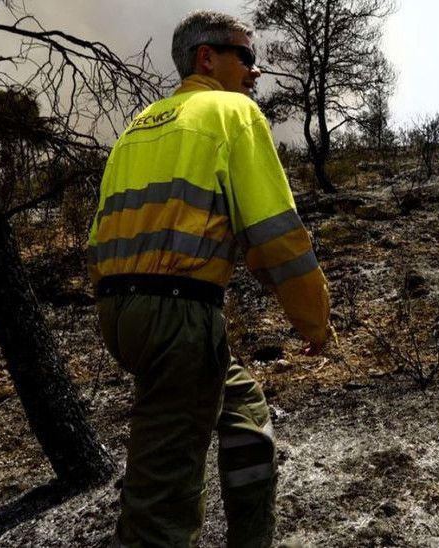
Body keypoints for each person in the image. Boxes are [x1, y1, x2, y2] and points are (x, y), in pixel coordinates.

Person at [88, 10, 331, 547]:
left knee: (242, 407)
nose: (255, 72)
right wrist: (313, 321)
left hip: (119, 315)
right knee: (163, 502)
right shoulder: (232, 113)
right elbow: (275, 236)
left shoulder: (137, 127)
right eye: (246, 56)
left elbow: (96, 240)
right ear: (207, 57)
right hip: (177, 316)